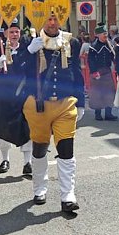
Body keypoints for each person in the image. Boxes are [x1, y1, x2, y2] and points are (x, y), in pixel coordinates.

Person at [26, 14, 84, 211]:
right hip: (39, 105)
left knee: (66, 149)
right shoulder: (32, 41)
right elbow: (19, 73)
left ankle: (68, 194)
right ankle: (39, 188)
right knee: (40, 148)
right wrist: (27, 52)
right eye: (48, 19)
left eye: (56, 19)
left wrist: (81, 102)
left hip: (65, 103)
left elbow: (76, 72)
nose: (52, 23)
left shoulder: (71, 42)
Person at [0, 21, 33, 175]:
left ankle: (27, 162)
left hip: (23, 95)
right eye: (11, 32)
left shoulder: (27, 50)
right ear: (5, 34)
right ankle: (5, 159)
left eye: (16, 32)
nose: (14, 35)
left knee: (27, 128)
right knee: (3, 127)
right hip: (3, 96)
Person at [85, 25, 117, 121]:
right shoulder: (93, 46)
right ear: (98, 35)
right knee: (97, 93)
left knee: (110, 92)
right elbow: (90, 60)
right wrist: (94, 72)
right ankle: (97, 114)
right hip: (97, 72)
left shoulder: (109, 45)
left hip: (107, 71)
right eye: (103, 34)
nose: (105, 35)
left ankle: (108, 113)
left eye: (106, 33)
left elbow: (113, 57)